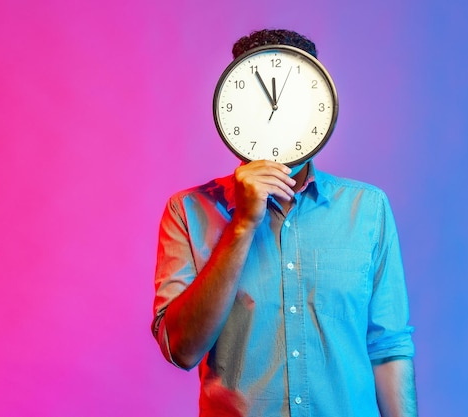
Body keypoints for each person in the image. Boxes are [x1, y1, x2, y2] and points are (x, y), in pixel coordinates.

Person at [151, 29, 418, 417]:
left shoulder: (368, 209)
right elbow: (182, 349)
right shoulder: (188, 212)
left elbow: (388, 349)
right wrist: (242, 224)